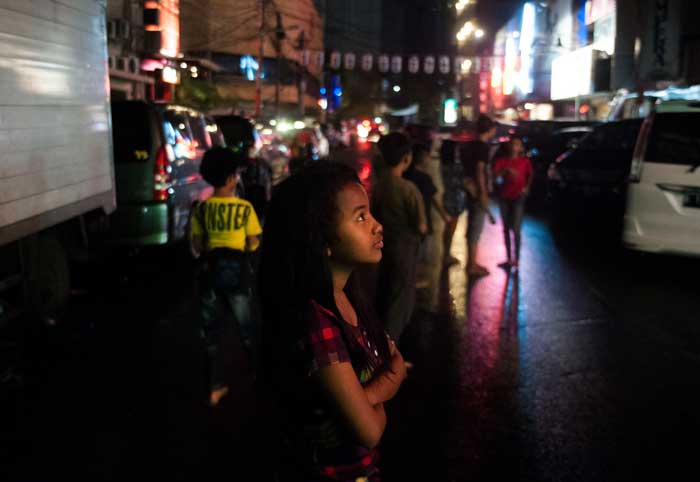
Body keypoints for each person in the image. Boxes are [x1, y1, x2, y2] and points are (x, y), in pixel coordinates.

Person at [259, 163, 408, 481]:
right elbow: (368, 431)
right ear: (321, 238)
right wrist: (387, 384)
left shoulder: (348, 297)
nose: (377, 226)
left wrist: (364, 398)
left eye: (370, 214)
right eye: (360, 217)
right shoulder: (317, 323)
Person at [190, 147, 263, 407]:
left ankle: (215, 386)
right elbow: (254, 243)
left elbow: (197, 246)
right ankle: (259, 378)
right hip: (238, 273)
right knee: (247, 329)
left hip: (210, 273)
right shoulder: (244, 209)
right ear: (233, 178)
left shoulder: (201, 209)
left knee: (210, 332)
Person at [372, 133, 427, 343]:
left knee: (385, 294)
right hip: (405, 249)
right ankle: (389, 354)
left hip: (385, 247)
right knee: (399, 301)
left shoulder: (379, 186)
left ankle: (379, 347)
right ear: (406, 158)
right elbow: (421, 225)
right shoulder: (408, 189)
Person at [459, 114, 497, 277]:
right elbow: (480, 170)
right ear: (490, 130)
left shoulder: (470, 145)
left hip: (469, 189)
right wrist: (483, 192)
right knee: (476, 228)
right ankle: (471, 265)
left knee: (472, 226)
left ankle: (471, 262)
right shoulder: (483, 147)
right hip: (477, 191)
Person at [492, 137, 533, 270]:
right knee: (506, 228)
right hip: (504, 197)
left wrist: (527, 187)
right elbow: (495, 178)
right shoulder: (502, 161)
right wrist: (505, 171)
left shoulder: (524, 161)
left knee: (515, 229)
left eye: (517, 145)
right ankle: (509, 258)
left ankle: (517, 259)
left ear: (520, 148)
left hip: (518, 197)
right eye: (512, 144)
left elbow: (530, 175)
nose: (514, 147)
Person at [439, 137, 466, 267]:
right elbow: (458, 183)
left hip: (447, 198)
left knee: (448, 228)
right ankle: (446, 255)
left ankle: (446, 254)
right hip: (453, 199)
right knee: (451, 228)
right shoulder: (455, 167)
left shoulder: (441, 165)